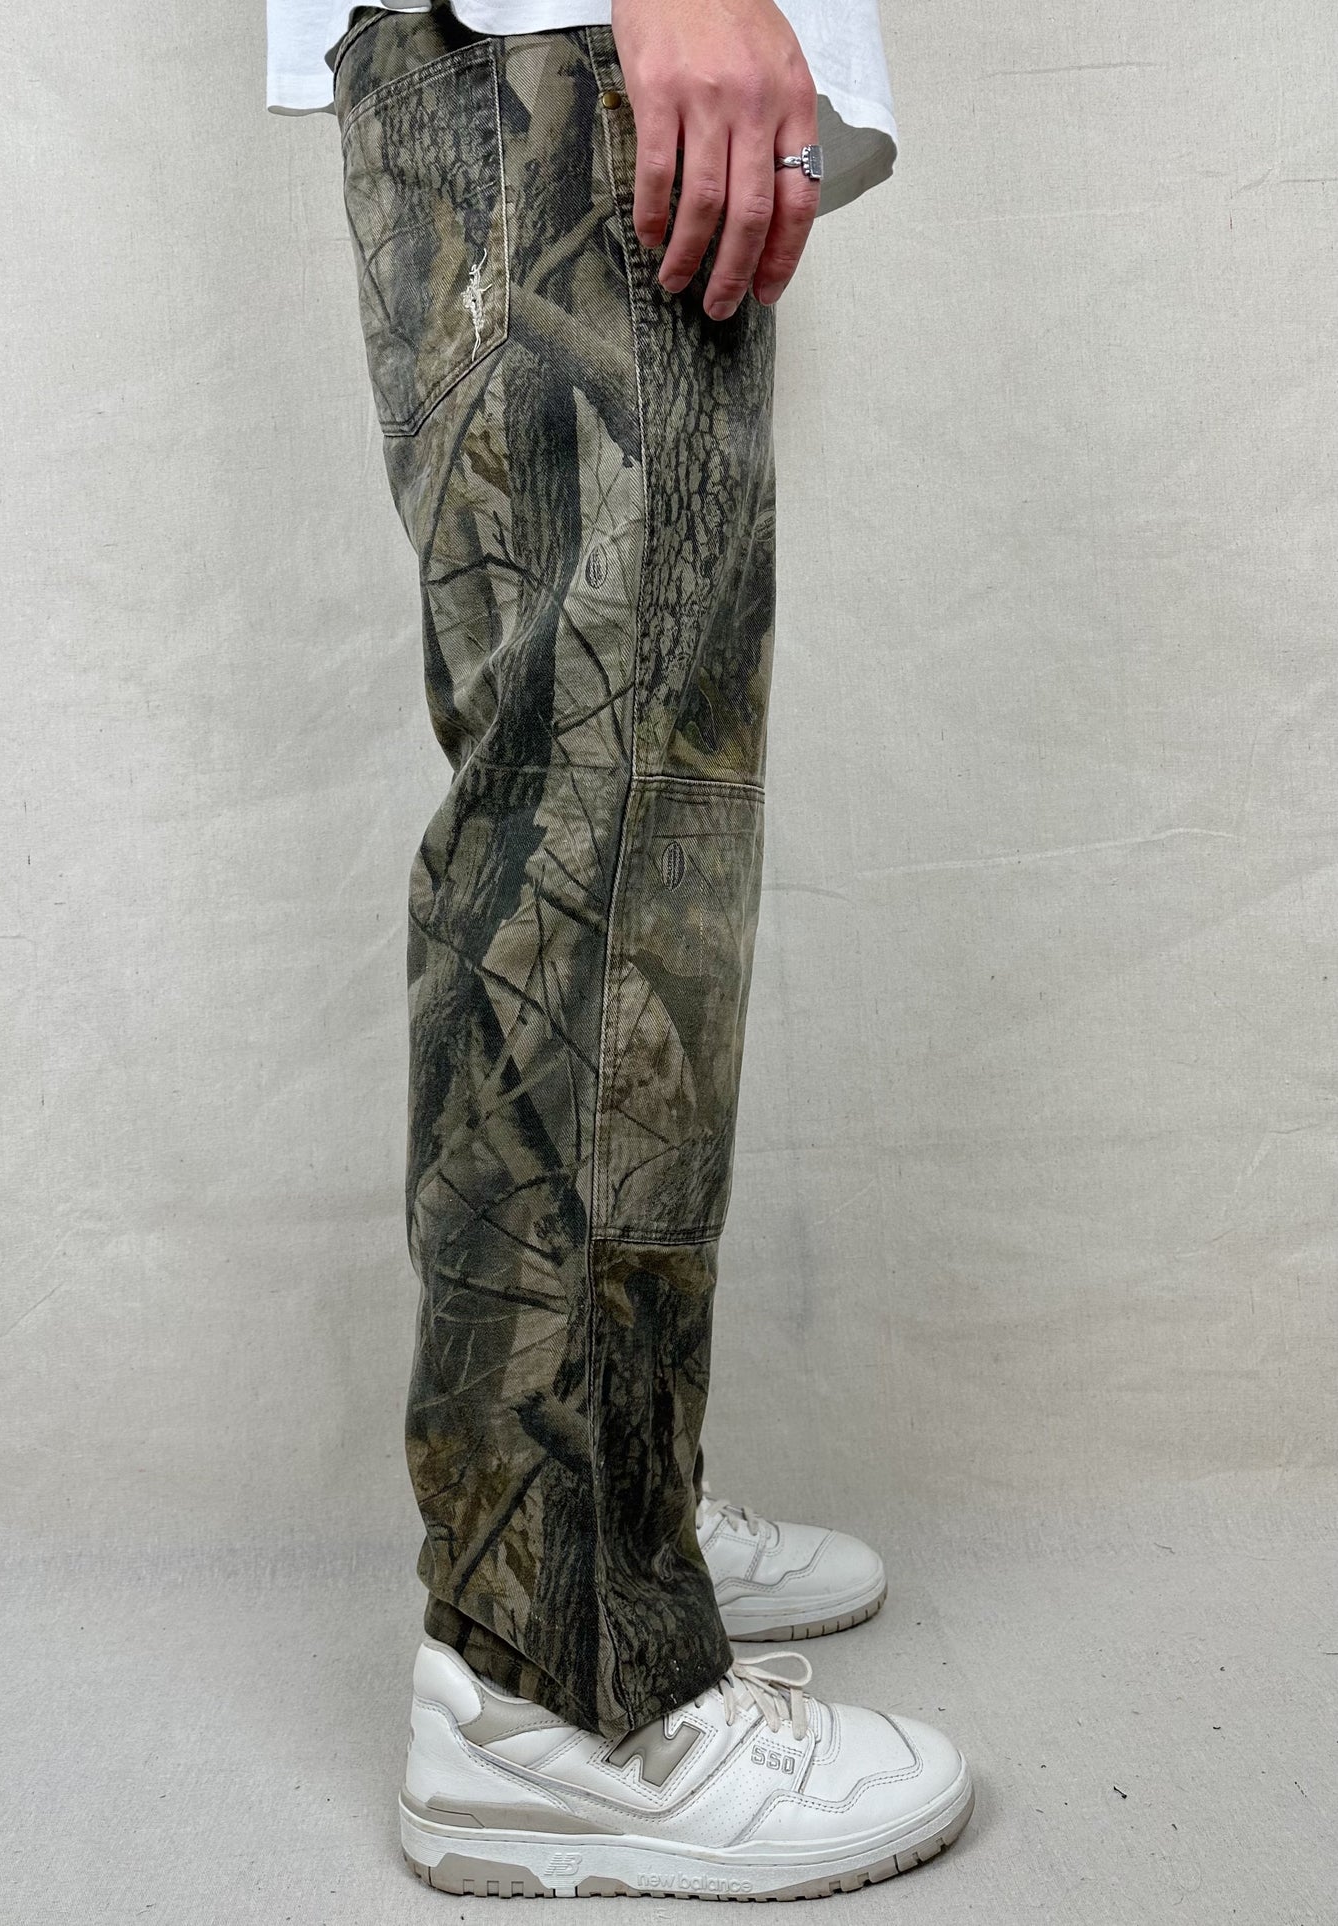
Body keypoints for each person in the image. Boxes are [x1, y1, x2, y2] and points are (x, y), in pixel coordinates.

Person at [265, 0, 975, 1898]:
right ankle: (555, 1680)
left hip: (547, 42)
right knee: (593, 809)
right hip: (555, 32)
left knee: (637, 803)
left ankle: (609, 1504)